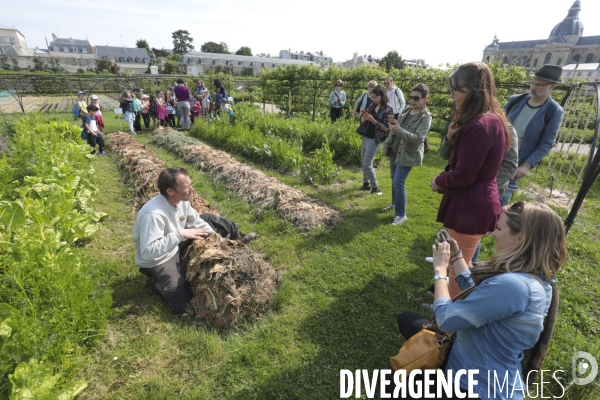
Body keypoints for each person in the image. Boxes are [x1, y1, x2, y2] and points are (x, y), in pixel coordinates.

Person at [396, 202, 566, 399]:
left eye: (499, 228)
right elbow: (478, 294)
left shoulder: (514, 286)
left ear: (520, 238)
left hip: (480, 388)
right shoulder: (537, 279)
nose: (492, 233)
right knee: (408, 320)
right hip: (482, 368)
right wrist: (456, 256)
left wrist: (439, 272)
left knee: (391, 385)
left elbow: (445, 319)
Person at [430, 62, 511, 297]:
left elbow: (464, 175)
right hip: (475, 201)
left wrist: (439, 180)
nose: (452, 95)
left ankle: (446, 321)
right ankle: (448, 309)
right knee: (461, 262)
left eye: (458, 90)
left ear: (475, 92)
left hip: (472, 205)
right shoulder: (491, 119)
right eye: (452, 89)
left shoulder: (480, 125)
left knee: (457, 266)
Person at [133, 167, 258, 314]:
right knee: (184, 307)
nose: (192, 189)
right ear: (170, 191)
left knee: (210, 219)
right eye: (186, 187)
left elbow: (197, 222)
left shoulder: (182, 201)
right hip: (159, 258)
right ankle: (155, 279)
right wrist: (180, 233)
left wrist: (216, 238)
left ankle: (239, 237)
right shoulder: (153, 214)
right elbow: (148, 252)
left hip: (176, 242)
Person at [500, 65, 565, 206]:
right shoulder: (515, 100)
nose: (533, 88)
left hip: (515, 162)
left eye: (539, 85)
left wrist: (525, 166)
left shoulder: (554, 111)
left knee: (501, 199)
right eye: (532, 83)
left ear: (553, 86)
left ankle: (496, 227)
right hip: (496, 153)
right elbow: (496, 121)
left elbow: (547, 142)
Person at [381, 83, 432, 226]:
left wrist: (399, 131)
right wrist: (386, 145)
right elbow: (393, 129)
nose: (412, 100)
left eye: (416, 98)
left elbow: (417, 139)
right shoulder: (407, 110)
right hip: (395, 151)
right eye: (411, 97)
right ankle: (394, 204)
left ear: (425, 99)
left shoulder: (426, 117)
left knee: (398, 182)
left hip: (407, 154)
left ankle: (401, 214)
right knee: (393, 179)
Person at [358, 84, 393, 194]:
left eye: (375, 97)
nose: (373, 99)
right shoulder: (372, 105)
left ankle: (375, 187)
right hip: (366, 135)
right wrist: (363, 118)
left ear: (382, 96)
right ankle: (365, 184)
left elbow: (386, 128)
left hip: (376, 138)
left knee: (367, 163)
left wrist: (373, 120)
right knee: (364, 160)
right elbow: (363, 118)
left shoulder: (388, 108)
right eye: (372, 97)